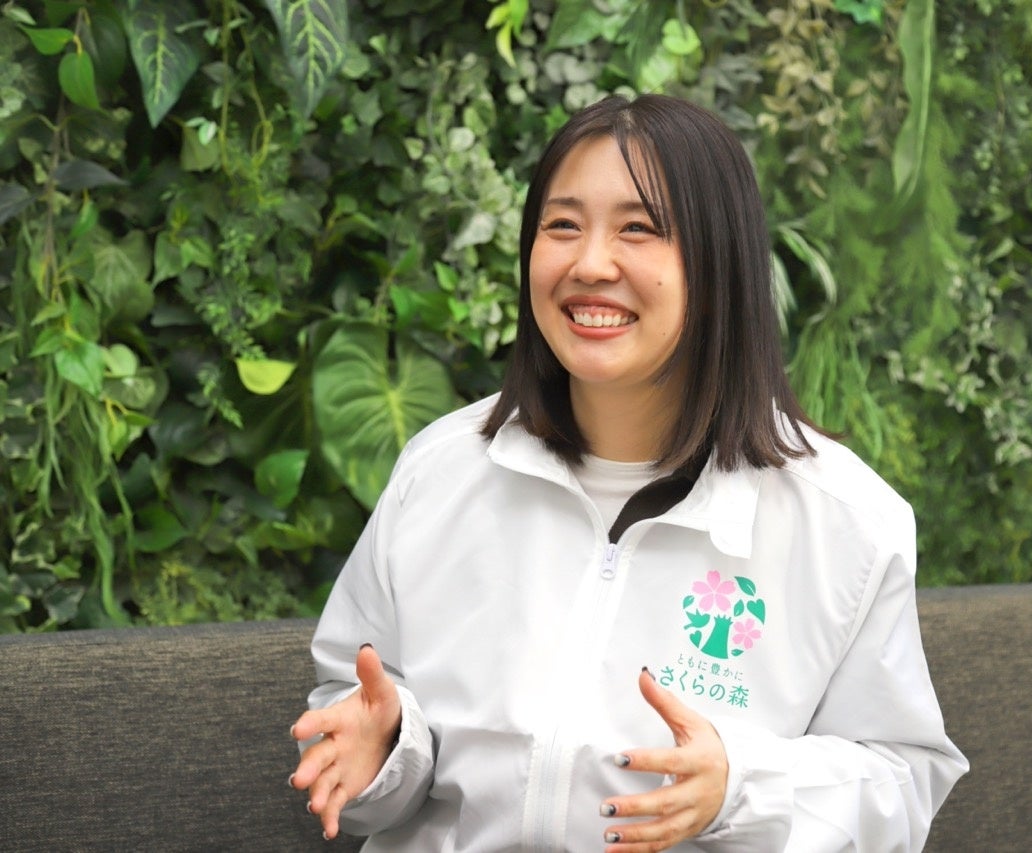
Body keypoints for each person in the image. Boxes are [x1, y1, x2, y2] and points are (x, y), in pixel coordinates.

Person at [289, 93, 967, 852]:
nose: (589, 264)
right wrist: (384, 750)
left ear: (720, 263)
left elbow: (901, 784)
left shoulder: (843, 521)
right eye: (562, 225)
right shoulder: (442, 472)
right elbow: (355, 702)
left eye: (638, 229)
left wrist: (740, 785)